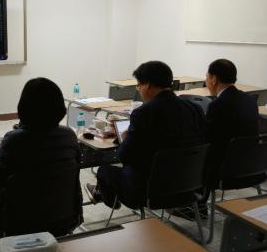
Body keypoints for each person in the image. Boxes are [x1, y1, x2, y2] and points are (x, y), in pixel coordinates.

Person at [86, 61, 206, 209]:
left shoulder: (144, 113)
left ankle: (107, 198)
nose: (139, 90)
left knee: (104, 170)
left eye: (139, 86)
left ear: (147, 85)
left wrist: (124, 138)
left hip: (150, 191)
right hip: (189, 186)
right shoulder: (195, 109)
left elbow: (125, 156)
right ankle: (102, 193)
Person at [0, 77, 82, 238]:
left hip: (19, 225)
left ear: (24, 107)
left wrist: (1, 150)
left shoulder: (13, 140)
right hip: (63, 220)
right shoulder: (69, 136)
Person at [205, 58, 260, 187]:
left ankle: (197, 205)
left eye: (206, 77)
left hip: (226, 169)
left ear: (214, 79)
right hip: (252, 165)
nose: (206, 82)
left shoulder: (217, 105)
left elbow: (210, 140)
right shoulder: (250, 100)